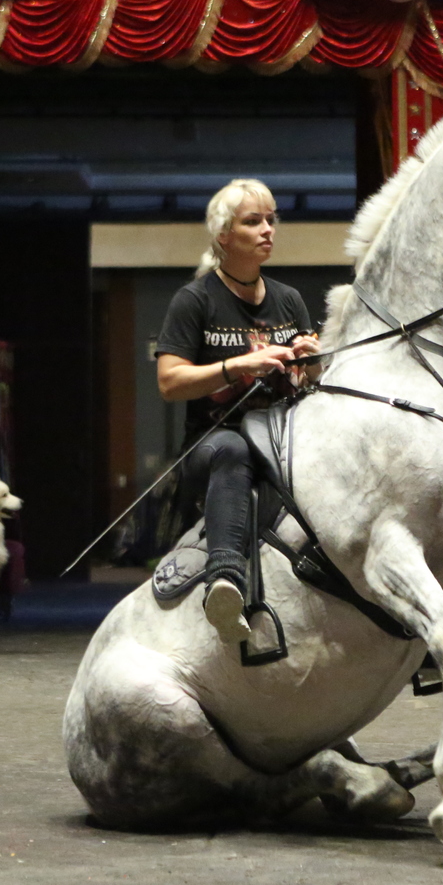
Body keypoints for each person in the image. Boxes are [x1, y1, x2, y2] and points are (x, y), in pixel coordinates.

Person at [155, 179, 322, 645]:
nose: (268, 229)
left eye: (271, 219)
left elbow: (307, 382)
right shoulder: (195, 301)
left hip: (281, 442)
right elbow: (169, 383)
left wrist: (312, 361)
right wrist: (238, 365)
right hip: (212, 449)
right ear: (223, 235)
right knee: (233, 447)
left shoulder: (288, 299)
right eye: (253, 221)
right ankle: (224, 582)